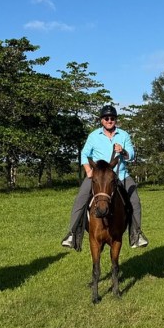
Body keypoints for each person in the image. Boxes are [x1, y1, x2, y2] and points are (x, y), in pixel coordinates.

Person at [61, 105, 149, 250]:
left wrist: (123, 150)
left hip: (120, 175)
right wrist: (88, 170)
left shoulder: (124, 135)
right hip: (98, 176)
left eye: (112, 118)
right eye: (106, 118)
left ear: (115, 120)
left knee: (135, 201)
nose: (109, 120)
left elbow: (131, 156)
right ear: (102, 120)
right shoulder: (94, 136)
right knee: (80, 199)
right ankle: (72, 234)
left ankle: (136, 235)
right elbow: (84, 154)